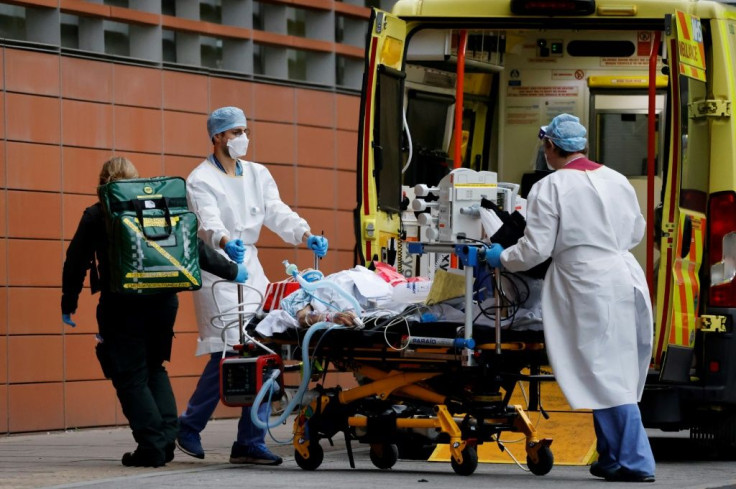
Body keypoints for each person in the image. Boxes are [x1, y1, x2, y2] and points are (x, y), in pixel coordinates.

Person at [485, 114, 656, 483]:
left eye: (544, 145)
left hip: (585, 283)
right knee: (612, 368)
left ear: (550, 147)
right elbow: (637, 230)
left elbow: (536, 249)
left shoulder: (551, 186)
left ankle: (636, 461)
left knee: (603, 372)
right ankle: (611, 458)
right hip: (623, 277)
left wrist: (502, 257)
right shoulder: (617, 179)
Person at [61, 157, 248, 468]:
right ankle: (166, 439)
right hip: (164, 302)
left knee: (129, 375)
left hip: (122, 305)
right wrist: (231, 270)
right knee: (154, 368)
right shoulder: (159, 208)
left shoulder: (98, 213)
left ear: (103, 184)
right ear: (135, 180)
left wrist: (69, 302)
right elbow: (194, 247)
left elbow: (75, 260)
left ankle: (151, 446)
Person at [177, 106, 329, 465]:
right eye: (235, 132)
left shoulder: (258, 174)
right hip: (221, 271)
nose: (242, 138)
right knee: (229, 352)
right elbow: (208, 220)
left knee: (263, 348)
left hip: (252, 268)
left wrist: (305, 234)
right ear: (217, 137)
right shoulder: (200, 179)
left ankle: (249, 439)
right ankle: (190, 424)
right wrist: (225, 241)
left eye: (245, 130)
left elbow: (276, 210)